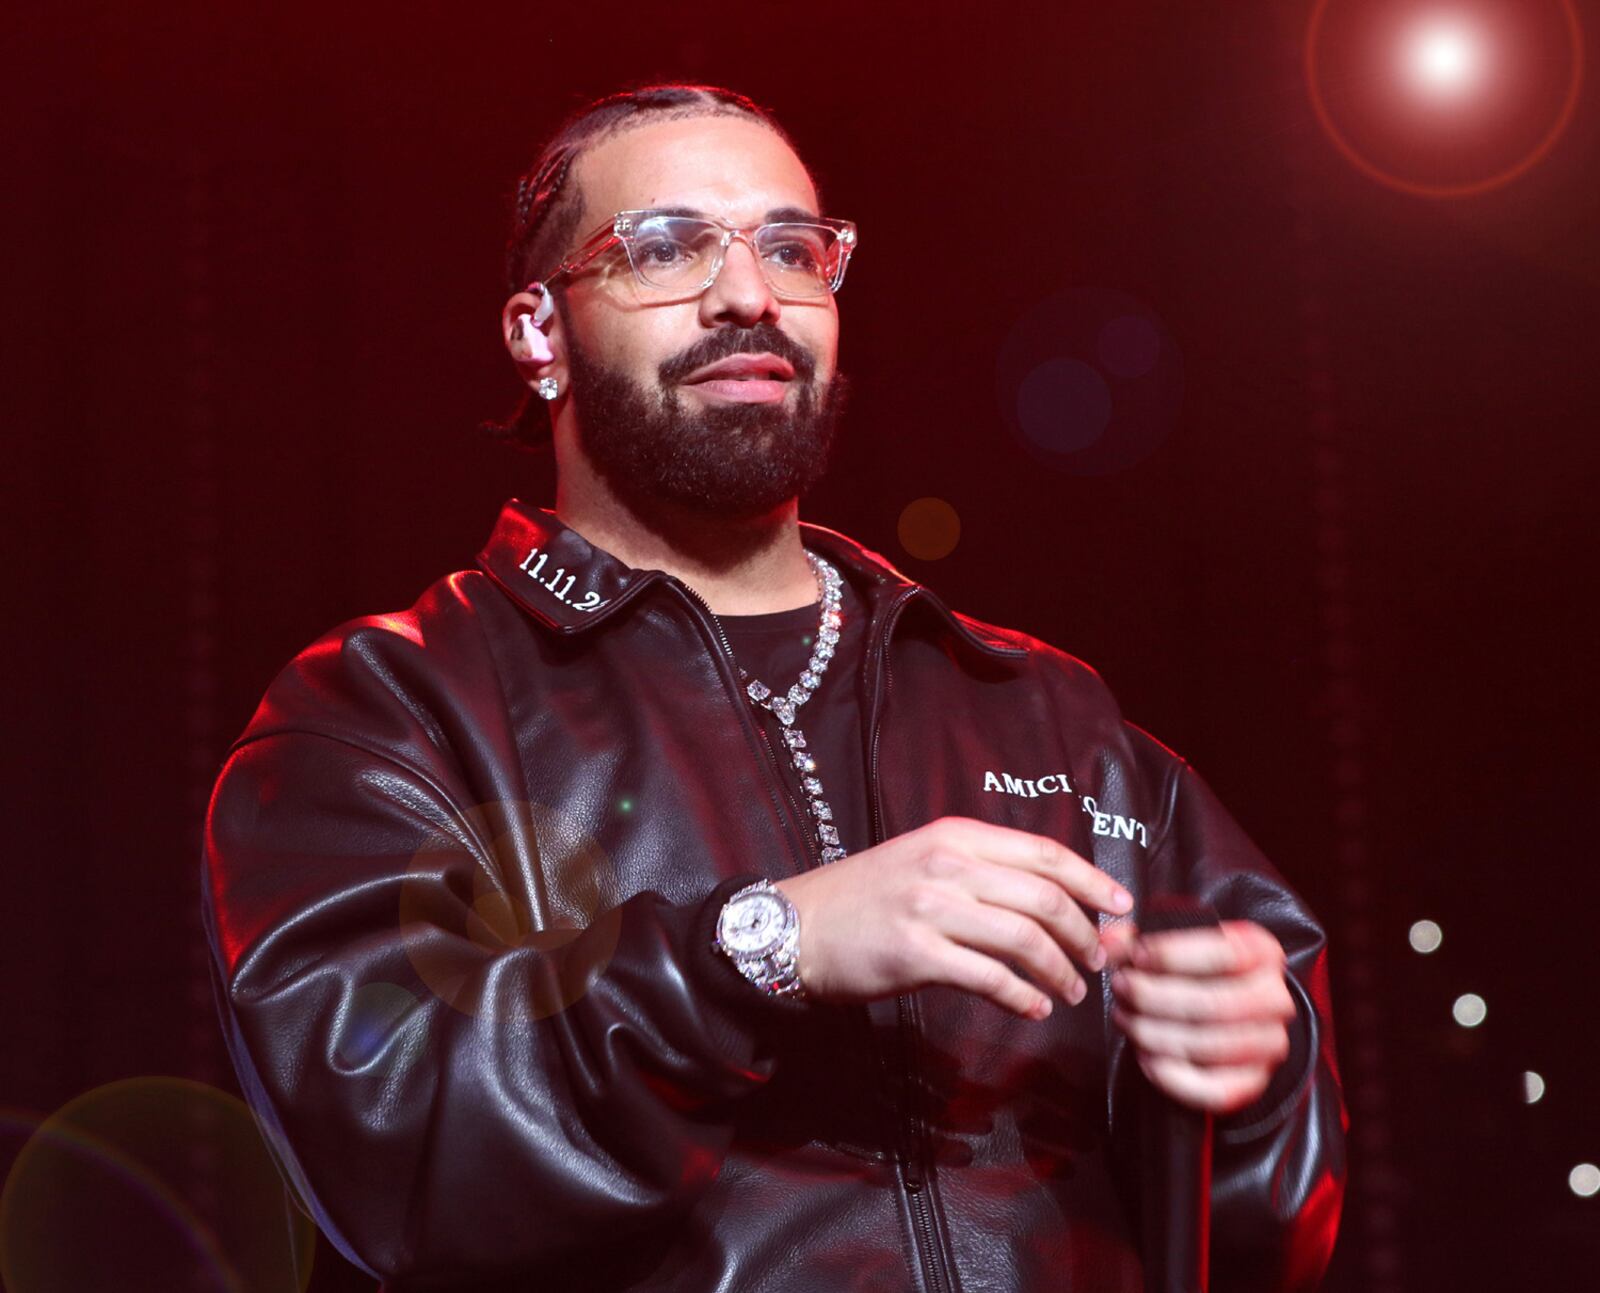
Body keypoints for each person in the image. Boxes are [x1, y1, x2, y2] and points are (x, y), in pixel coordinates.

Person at [201, 84, 1346, 1292]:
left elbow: (1268, 1239)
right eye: (665, 248)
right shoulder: (391, 709)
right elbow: (398, 1154)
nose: (748, 296)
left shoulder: (1049, 713)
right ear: (539, 333)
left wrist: (1248, 1089)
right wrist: (768, 945)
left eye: (791, 249)